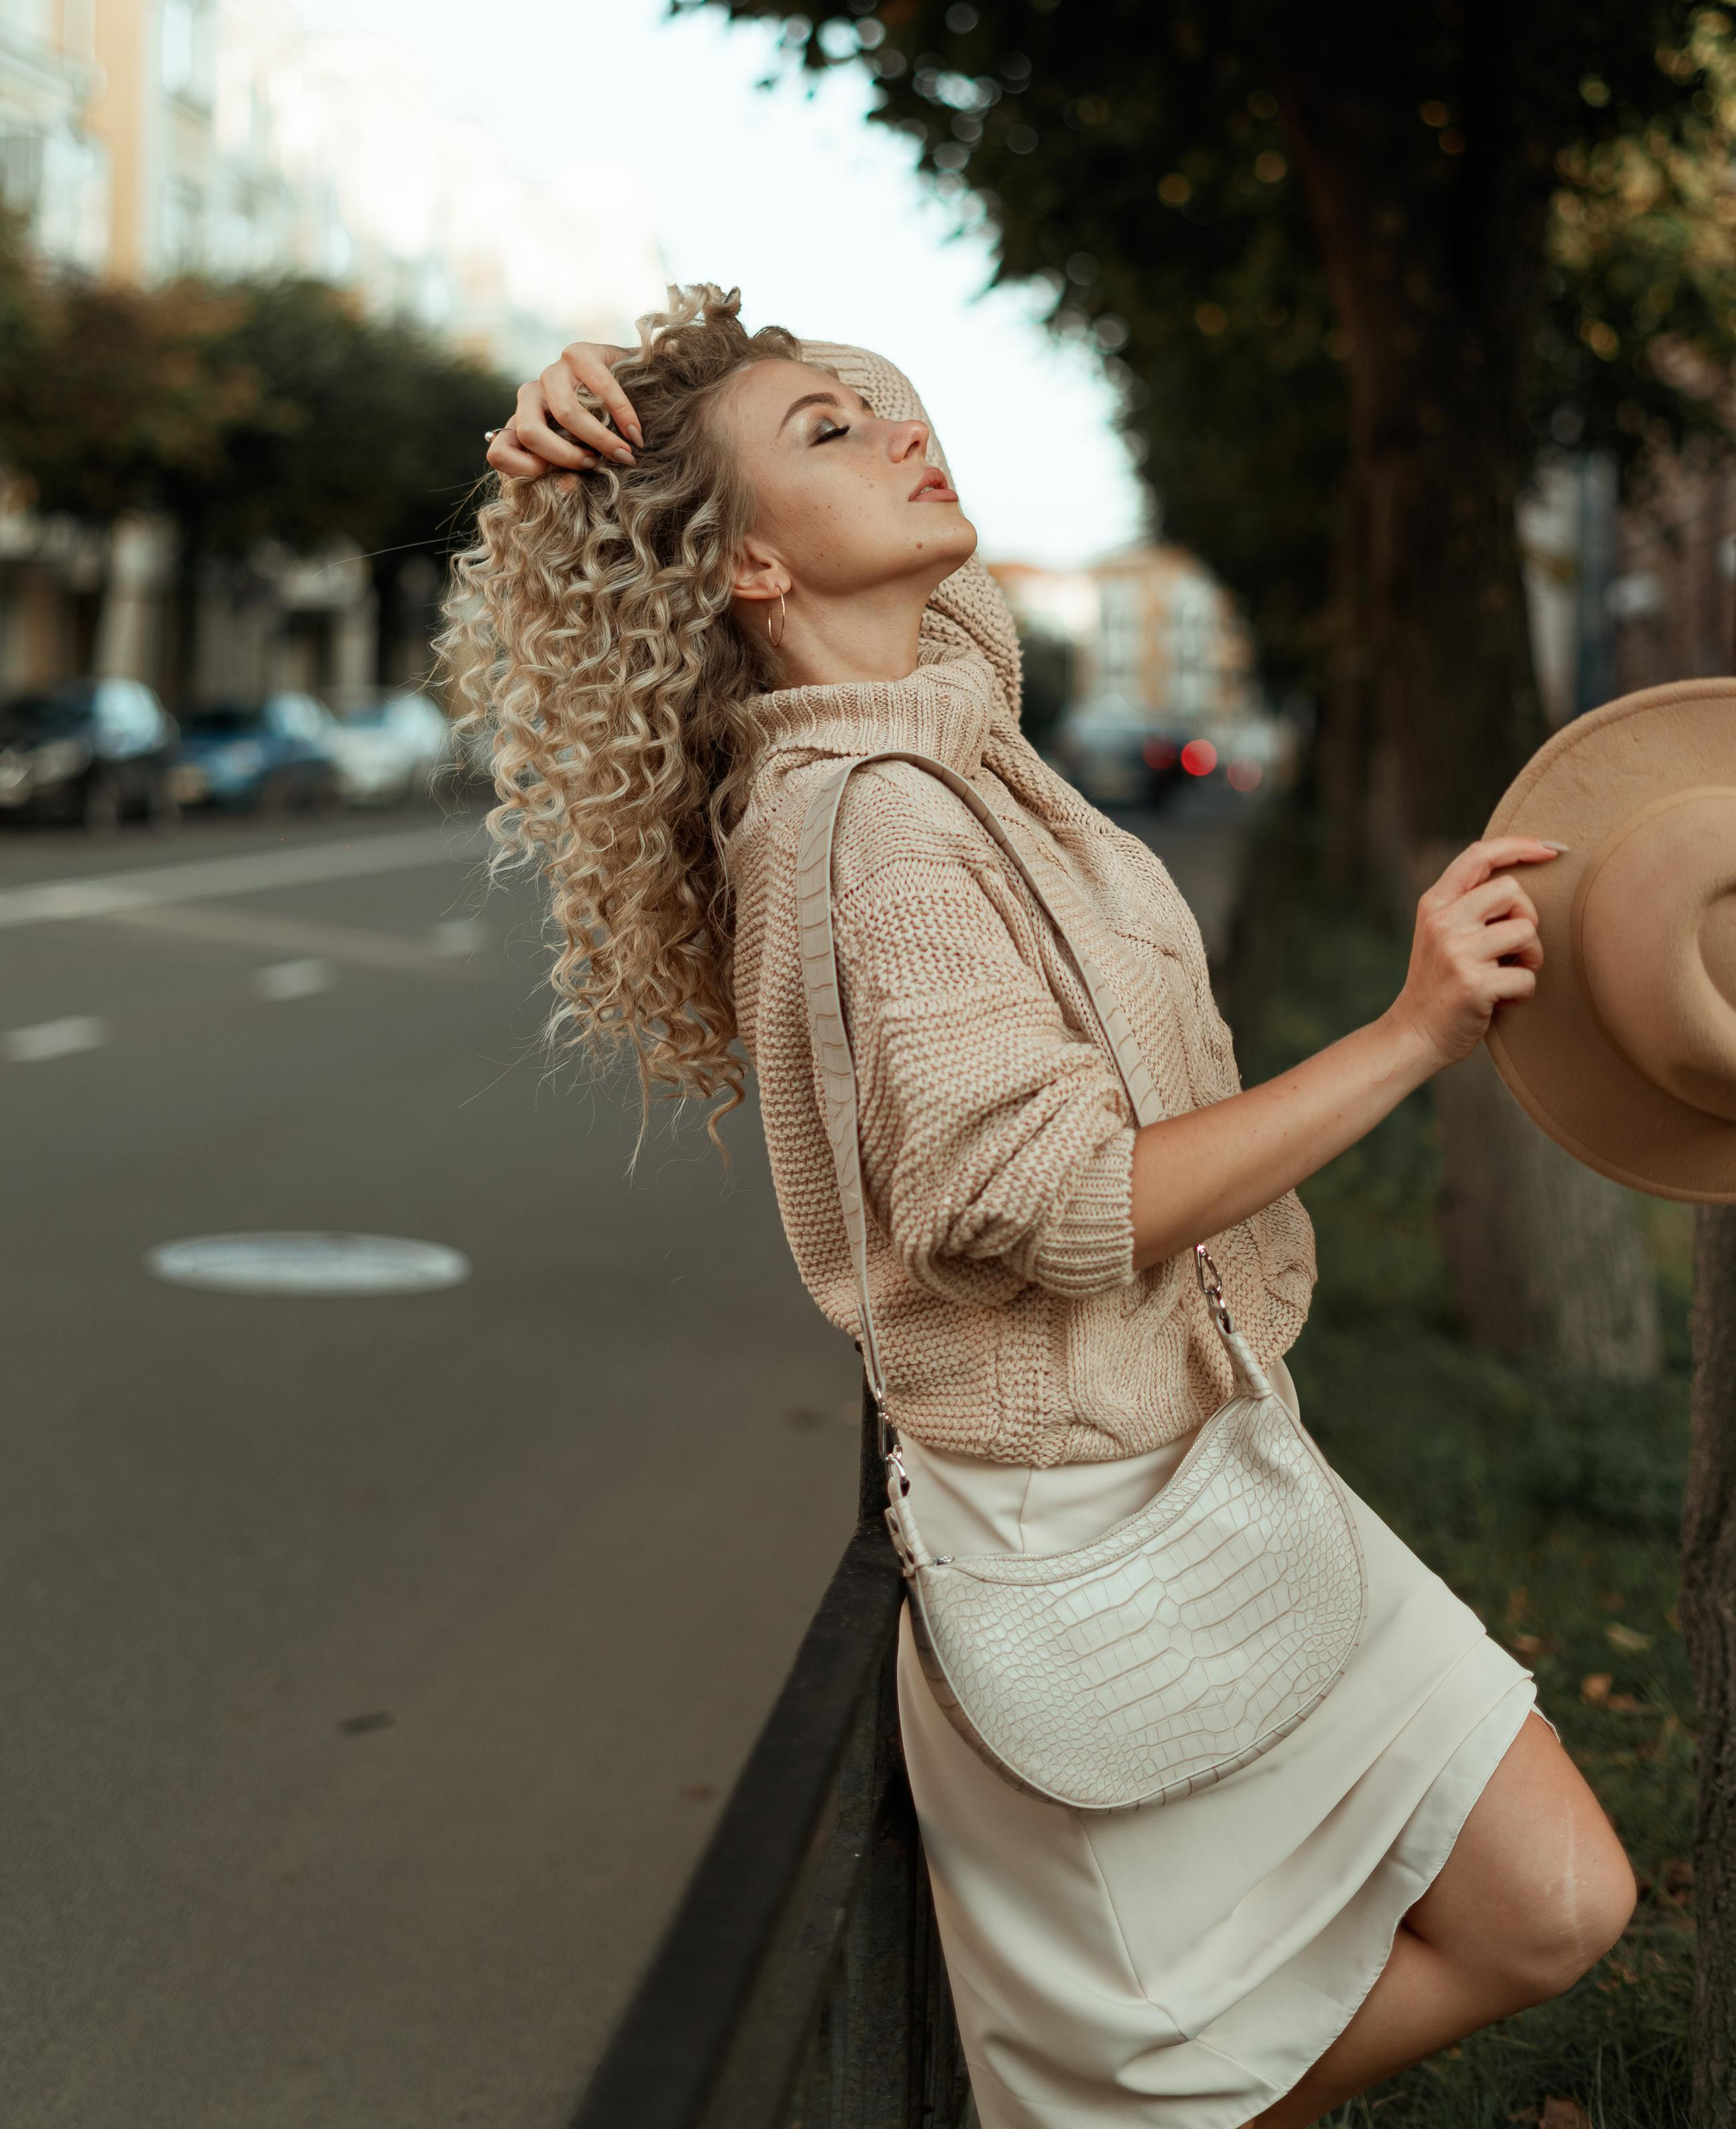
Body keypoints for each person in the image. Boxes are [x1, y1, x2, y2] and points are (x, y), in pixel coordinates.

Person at [455, 288, 1634, 2129]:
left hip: (1222, 1460)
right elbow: (1066, 1200)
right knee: (1513, 1925)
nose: (898, 427)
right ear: (751, 566)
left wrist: (615, 390)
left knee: (1559, 1902)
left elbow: (881, 453)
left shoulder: (941, 708)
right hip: (1097, 1533)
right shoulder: (873, 829)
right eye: (828, 434)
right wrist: (1408, 1036)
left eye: (873, 402)